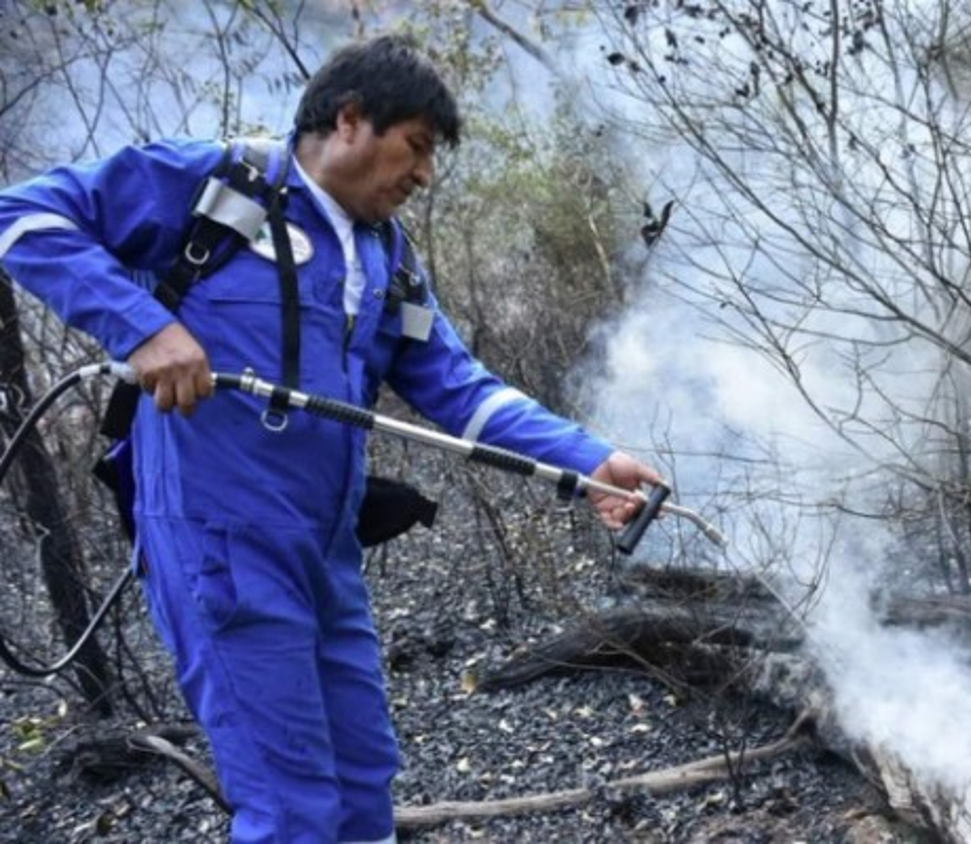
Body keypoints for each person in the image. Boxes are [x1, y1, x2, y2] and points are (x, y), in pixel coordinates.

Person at [0, 33, 661, 844]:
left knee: (362, 779)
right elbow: (24, 214)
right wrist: (143, 329)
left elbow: (456, 385)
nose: (423, 176)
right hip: (222, 547)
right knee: (291, 806)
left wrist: (588, 463)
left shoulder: (385, 257)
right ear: (350, 119)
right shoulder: (213, 186)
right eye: (415, 147)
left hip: (326, 550)